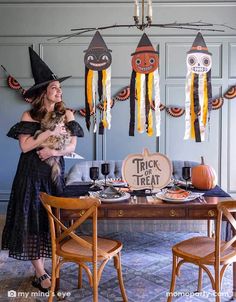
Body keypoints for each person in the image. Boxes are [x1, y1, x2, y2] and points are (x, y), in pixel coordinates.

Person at [1, 47, 84, 292]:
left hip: (53, 173)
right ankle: (40, 272)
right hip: (30, 175)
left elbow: (72, 145)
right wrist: (47, 133)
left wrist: (53, 152)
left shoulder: (66, 113)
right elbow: (25, 147)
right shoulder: (29, 115)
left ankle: (53, 264)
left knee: (53, 221)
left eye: (59, 87)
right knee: (31, 222)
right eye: (55, 88)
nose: (59, 91)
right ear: (44, 93)